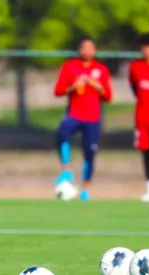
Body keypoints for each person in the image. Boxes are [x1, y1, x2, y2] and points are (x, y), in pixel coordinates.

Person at [53, 37, 113, 201]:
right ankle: (66, 170)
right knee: (62, 133)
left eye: (90, 48)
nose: (87, 51)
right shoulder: (70, 67)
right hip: (74, 114)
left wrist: (96, 86)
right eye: (84, 47)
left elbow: (108, 96)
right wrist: (74, 86)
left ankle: (85, 188)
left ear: (94, 51)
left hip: (93, 118)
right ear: (80, 50)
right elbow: (58, 91)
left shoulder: (101, 69)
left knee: (90, 152)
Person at [129, 33, 149, 202]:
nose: (147, 50)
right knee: (146, 153)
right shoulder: (136, 67)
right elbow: (134, 89)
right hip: (143, 118)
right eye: (144, 46)